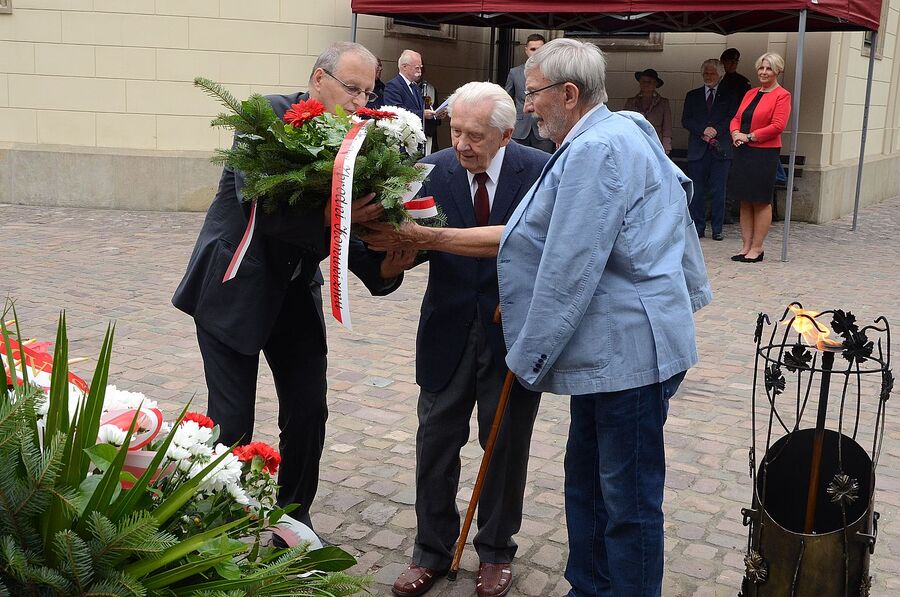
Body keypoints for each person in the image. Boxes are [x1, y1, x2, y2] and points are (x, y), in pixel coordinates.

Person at [363, 38, 712, 597]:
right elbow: (672, 210)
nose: (528, 105)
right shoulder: (617, 131)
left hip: (630, 354)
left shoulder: (597, 149)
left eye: (534, 93)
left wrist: (528, 354)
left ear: (569, 95)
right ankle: (589, 587)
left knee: (626, 501)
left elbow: (566, 264)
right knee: (588, 484)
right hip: (610, 353)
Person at [172, 42, 415, 528]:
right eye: (352, 88)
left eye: (368, 93)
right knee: (231, 421)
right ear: (319, 78)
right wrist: (330, 214)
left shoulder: (359, 139)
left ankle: (293, 519)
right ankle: (215, 526)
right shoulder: (265, 117)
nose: (359, 102)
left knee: (308, 412)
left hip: (295, 291)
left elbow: (349, 224)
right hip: (235, 287)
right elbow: (261, 203)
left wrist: (386, 266)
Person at [391, 82, 549, 597]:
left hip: (511, 332)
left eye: (475, 135)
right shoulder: (432, 170)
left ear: (506, 134)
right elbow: (404, 245)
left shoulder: (540, 170)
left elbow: (547, 249)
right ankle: (430, 551)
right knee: (435, 441)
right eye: (455, 130)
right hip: (447, 328)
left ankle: (496, 550)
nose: (461, 144)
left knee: (504, 445)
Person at [728, 52, 791, 263]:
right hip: (743, 151)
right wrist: (735, 133)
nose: (764, 72)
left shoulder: (782, 95)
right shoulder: (751, 93)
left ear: (778, 71)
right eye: (761, 68)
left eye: (769, 68)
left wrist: (749, 136)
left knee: (761, 201)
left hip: (764, 153)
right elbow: (737, 118)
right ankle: (745, 246)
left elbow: (778, 126)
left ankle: (757, 248)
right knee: (745, 200)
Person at [682, 59, 740, 241]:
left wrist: (715, 130)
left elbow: (732, 117)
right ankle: (698, 227)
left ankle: (717, 228)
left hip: (720, 150)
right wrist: (703, 130)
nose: (708, 76)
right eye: (706, 73)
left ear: (720, 75)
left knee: (718, 190)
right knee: (697, 191)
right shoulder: (692, 95)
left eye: (712, 73)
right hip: (698, 149)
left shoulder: (729, 95)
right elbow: (686, 120)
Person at [504, 33, 555, 153]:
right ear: (526, 50)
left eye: (539, 50)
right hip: (519, 129)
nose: (536, 53)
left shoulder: (552, 73)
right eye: (533, 49)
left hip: (544, 127)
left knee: (544, 161)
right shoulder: (515, 72)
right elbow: (506, 100)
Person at [383, 50, 441, 128]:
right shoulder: (393, 85)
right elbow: (396, 111)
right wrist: (422, 114)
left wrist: (435, 114)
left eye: (420, 68)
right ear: (404, 67)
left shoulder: (415, 87)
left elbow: (420, 109)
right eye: (417, 68)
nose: (420, 71)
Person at [622, 68, 672, 154]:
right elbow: (624, 124)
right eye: (643, 81)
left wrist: (666, 147)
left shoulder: (663, 103)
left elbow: (667, 127)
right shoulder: (631, 102)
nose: (646, 84)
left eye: (649, 82)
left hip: (655, 143)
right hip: (635, 143)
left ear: (655, 84)